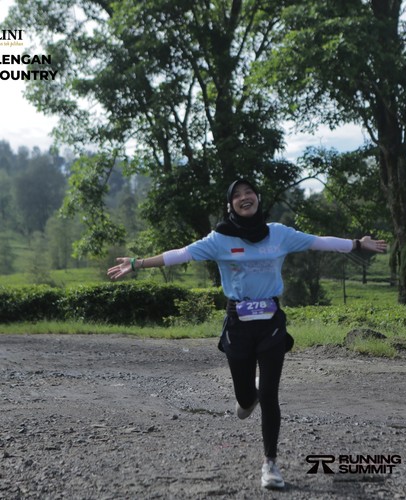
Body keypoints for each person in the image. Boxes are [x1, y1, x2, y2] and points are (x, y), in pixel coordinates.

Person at [107, 179, 387, 490]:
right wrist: (137, 263)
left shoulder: (279, 234)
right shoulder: (219, 239)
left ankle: (270, 463)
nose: (244, 198)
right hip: (238, 324)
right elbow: (180, 254)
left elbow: (318, 241)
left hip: (271, 323)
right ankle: (248, 393)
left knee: (269, 395)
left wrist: (357, 244)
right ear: (231, 204)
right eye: (237, 195)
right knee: (244, 403)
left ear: (257, 198)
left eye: (249, 192)